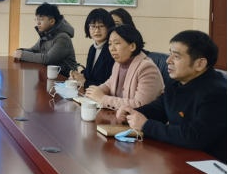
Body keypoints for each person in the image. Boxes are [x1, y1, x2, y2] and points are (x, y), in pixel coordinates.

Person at [117, 30, 227, 163]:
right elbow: (159, 109)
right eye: (170, 54)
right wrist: (131, 113)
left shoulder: (217, 93)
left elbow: (194, 137)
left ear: (200, 64)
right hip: (182, 156)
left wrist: (146, 125)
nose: (168, 60)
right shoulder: (175, 82)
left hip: (212, 165)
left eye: (177, 56)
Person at [85, 25, 164, 111]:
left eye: (116, 43)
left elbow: (140, 105)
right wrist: (93, 93)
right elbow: (109, 85)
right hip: (120, 116)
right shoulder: (118, 64)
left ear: (132, 46)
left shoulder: (147, 68)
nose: (112, 48)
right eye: (110, 44)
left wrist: (103, 99)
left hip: (141, 118)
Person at [13, 3, 77, 75]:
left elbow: (48, 59)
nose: (38, 23)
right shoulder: (46, 34)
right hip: (50, 74)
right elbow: (34, 50)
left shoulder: (63, 38)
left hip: (65, 77)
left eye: (41, 20)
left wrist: (22, 55)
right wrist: (20, 51)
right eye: (37, 19)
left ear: (52, 21)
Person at [69, 9, 116, 88]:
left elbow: (110, 86)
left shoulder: (113, 50)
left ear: (109, 27)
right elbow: (90, 72)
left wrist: (85, 82)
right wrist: (77, 76)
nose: (97, 30)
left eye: (101, 26)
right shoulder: (93, 48)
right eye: (93, 26)